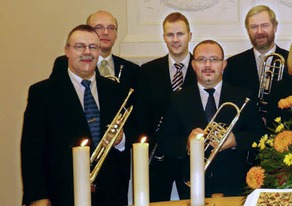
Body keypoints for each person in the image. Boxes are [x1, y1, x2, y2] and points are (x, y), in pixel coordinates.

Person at [21, 25, 131, 206]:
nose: (87, 52)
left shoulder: (117, 92)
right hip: (61, 195)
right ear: (67, 51)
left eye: (93, 47)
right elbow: (32, 149)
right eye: (80, 46)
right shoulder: (42, 93)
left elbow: (131, 139)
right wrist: (37, 196)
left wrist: (120, 141)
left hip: (110, 196)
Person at [159, 40, 265, 197]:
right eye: (201, 59)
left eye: (214, 59)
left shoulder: (243, 96)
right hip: (192, 186)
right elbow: (164, 141)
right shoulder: (178, 99)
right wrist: (188, 142)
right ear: (193, 65)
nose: (207, 65)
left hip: (235, 184)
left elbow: (260, 134)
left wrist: (235, 140)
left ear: (223, 64)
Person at [133, 12, 198, 201]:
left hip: (190, 157)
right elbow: (141, 116)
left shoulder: (202, 68)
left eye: (180, 34)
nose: (175, 40)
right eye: (170, 35)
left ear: (190, 36)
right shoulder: (147, 71)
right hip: (158, 157)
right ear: (164, 38)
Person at [50, 10, 141, 89]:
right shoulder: (65, 63)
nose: (106, 32)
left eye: (111, 28)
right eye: (98, 27)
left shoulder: (132, 69)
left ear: (116, 34)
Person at [223, 5, 289, 97]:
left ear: (275, 27)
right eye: (254, 27)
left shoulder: (291, 61)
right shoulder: (232, 65)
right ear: (248, 30)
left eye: (265, 25)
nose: (259, 32)